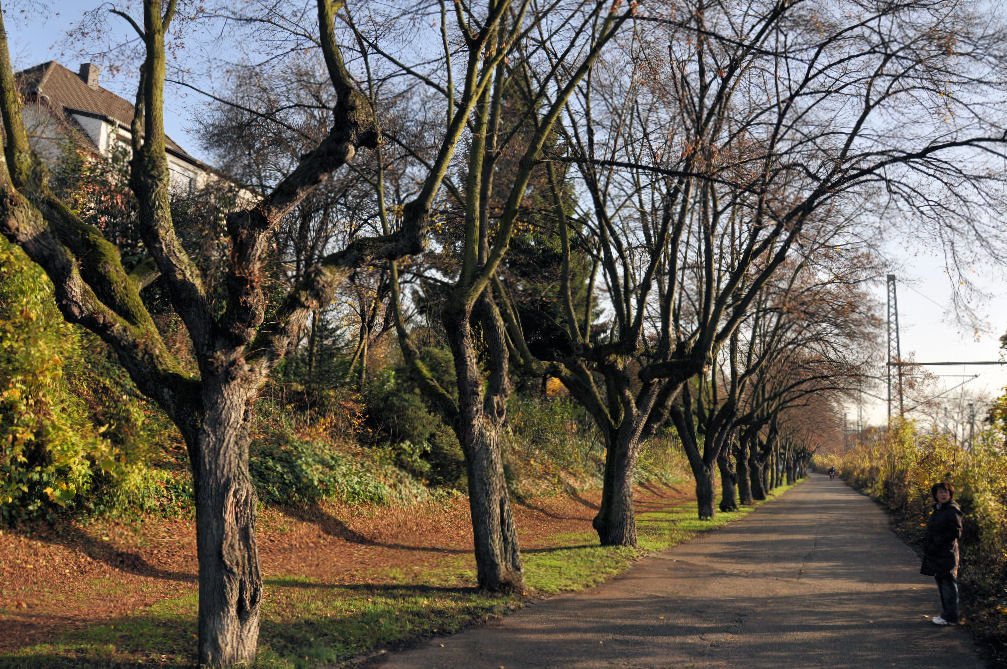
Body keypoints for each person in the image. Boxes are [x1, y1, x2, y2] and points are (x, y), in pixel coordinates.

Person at [920, 481, 963, 626]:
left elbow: (955, 532)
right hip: (938, 553)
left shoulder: (952, 510)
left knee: (948, 584)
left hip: (947, 553)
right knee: (942, 582)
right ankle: (947, 615)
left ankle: (951, 617)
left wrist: (937, 541)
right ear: (935, 495)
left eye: (945, 492)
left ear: (950, 494)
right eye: (940, 492)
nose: (943, 494)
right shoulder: (939, 509)